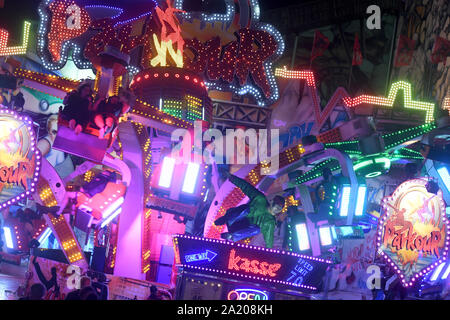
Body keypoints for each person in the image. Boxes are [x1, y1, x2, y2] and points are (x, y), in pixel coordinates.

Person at [214, 172, 285, 248]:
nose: (276, 210)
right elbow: (246, 187)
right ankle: (226, 218)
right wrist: (232, 178)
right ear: (271, 201)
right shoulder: (260, 199)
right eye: (276, 206)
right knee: (246, 209)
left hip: (238, 229)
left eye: (279, 209)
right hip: (235, 218)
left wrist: (269, 253)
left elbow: (269, 239)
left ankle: (231, 236)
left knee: (257, 229)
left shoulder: (270, 222)